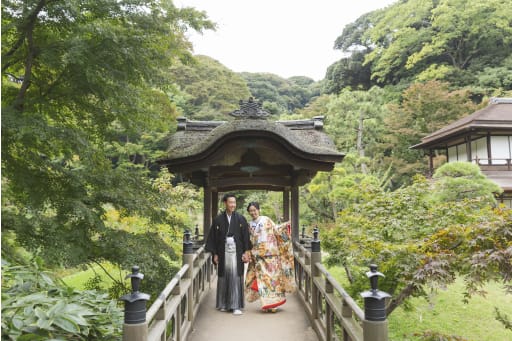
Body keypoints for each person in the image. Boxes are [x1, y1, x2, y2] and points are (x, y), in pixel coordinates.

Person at [245, 202, 295, 312]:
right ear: (249, 212)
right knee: (263, 281)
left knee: (273, 280)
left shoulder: (266, 220)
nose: (253, 212)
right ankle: (266, 303)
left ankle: (274, 304)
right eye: (251, 211)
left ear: (259, 209)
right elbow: (249, 240)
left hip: (271, 255)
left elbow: (276, 230)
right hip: (258, 256)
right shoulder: (249, 225)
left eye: (255, 210)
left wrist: (285, 226)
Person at [205, 193, 251, 315]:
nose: (233, 205)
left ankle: (236, 305)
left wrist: (246, 252)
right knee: (224, 277)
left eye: (234, 203)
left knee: (236, 277)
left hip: (237, 252)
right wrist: (215, 253)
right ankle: (223, 304)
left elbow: (246, 237)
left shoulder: (241, 219)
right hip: (223, 252)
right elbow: (213, 238)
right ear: (225, 203)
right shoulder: (218, 219)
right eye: (230, 202)